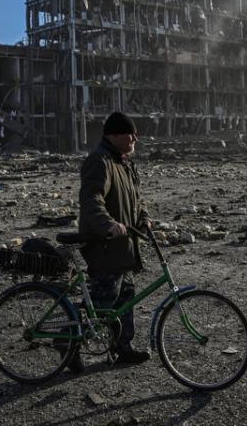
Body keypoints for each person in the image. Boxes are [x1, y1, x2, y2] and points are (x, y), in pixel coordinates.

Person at [72, 111, 151, 372]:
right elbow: (91, 198)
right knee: (102, 302)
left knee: (125, 298)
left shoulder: (124, 162)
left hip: (124, 246)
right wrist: (108, 224)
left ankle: (122, 347)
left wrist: (144, 219)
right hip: (104, 244)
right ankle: (68, 343)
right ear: (115, 135)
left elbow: (136, 201)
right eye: (130, 133)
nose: (135, 138)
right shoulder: (100, 161)